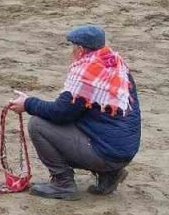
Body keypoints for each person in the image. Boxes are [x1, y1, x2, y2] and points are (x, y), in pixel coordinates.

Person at [8, 25, 140, 200]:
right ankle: (110, 174)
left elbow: (60, 113)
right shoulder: (114, 64)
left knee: (38, 125)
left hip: (107, 152)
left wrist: (28, 103)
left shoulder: (88, 73)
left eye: (73, 47)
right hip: (123, 151)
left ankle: (62, 183)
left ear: (81, 49)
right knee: (83, 121)